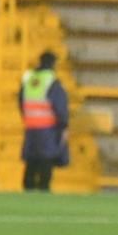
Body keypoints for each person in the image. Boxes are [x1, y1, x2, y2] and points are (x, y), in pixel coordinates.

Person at [18, 51, 69, 191]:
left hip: (31, 126)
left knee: (31, 160)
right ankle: (43, 188)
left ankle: (28, 189)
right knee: (46, 160)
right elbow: (59, 105)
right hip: (47, 127)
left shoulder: (29, 79)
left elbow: (21, 101)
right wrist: (64, 125)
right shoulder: (51, 81)